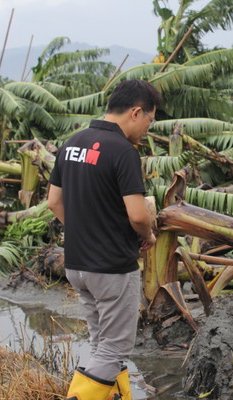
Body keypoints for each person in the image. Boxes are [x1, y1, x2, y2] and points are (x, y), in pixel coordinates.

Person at [48, 79, 162, 399]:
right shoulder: (123, 151)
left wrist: (87, 229)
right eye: (149, 121)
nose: (148, 129)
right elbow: (138, 215)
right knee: (112, 350)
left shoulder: (72, 142)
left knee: (101, 344)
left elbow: (54, 202)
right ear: (136, 112)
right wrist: (148, 235)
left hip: (78, 265)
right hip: (112, 267)